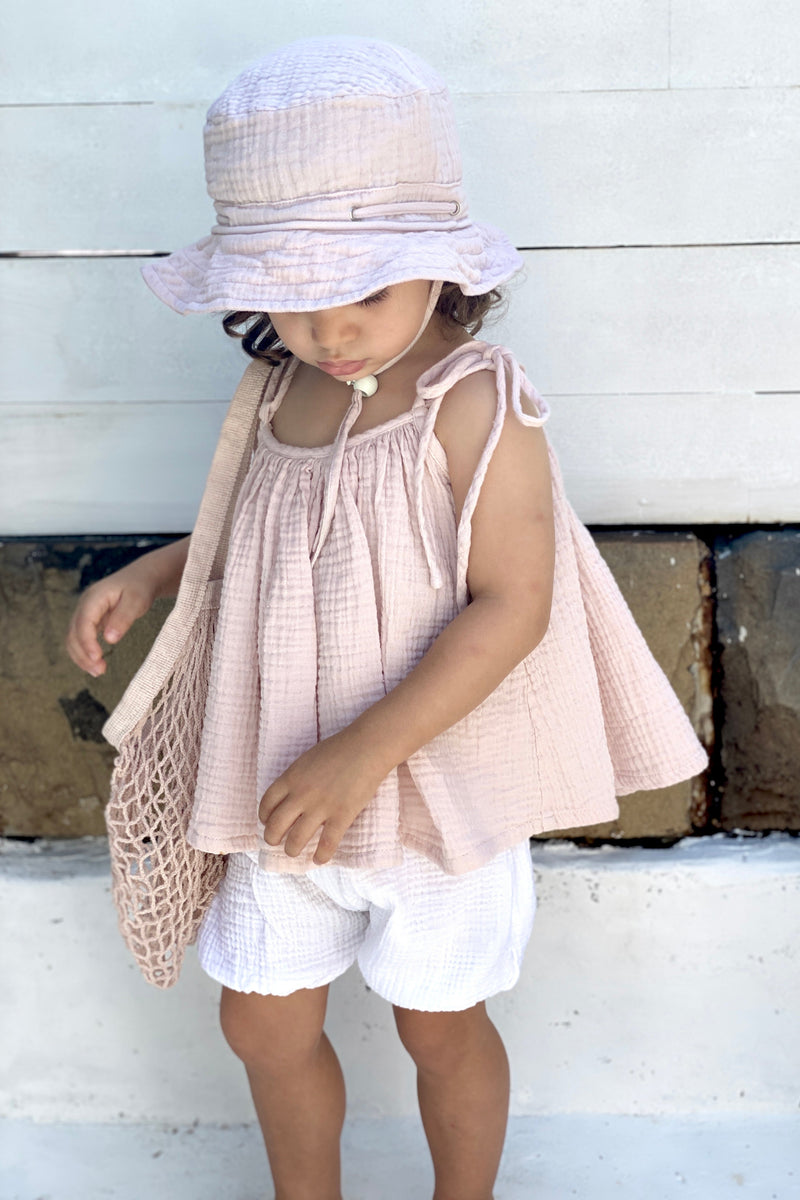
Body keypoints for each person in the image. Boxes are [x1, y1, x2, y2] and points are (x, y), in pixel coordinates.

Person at [65, 37, 707, 1200]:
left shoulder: (475, 403)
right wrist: (155, 575)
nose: (331, 330)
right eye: (296, 298)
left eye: (363, 291)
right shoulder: (281, 388)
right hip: (282, 778)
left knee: (437, 1026)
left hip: (432, 793)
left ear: (438, 268)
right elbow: (271, 532)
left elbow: (512, 603)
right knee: (261, 1022)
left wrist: (362, 754)